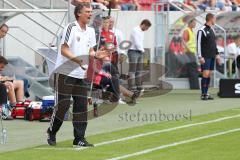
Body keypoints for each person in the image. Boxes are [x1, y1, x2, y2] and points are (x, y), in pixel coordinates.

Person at [47, 3, 107, 147]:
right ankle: (52, 131)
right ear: (78, 13)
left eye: (91, 12)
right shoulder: (70, 28)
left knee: (81, 107)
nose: (90, 14)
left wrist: (97, 55)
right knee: (63, 105)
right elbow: (63, 50)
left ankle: (79, 138)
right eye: (87, 11)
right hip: (65, 73)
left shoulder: (91, 31)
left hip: (82, 74)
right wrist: (78, 60)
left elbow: (90, 51)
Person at [197, 13, 221, 100]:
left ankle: (206, 93)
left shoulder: (212, 30)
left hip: (212, 56)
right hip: (205, 56)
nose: (215, 20)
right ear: (211, 19)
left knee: (209, 74)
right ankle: (203, 94)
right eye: (214, 19)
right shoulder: (201, 30)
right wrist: (200, 56)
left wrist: (217, 54)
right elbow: (198, 44)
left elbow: (214, 44)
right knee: (205, 73)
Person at [128, 19, 151, 91]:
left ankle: (138, 86)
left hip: (139, 51)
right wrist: (143, 51)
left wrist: (142, 51)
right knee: (132, 70)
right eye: (146, 28)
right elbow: (137, 42)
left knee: (139, 70)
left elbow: (140, 43)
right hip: (133, 51)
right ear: (143, 25)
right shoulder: (135, 30)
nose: (147, 29)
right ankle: (130, 86)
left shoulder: (142, 31)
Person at [182, 19, 199, 89]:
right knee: (192, 70)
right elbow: (183, 41)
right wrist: (188, 49)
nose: (195, 24)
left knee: (194, 69)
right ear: (190, 23)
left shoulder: (191, 31)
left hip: (192, 52)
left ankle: (195, 86)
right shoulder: (187, 30)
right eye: (194, 23)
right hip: (189, 53)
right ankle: (194, 86)